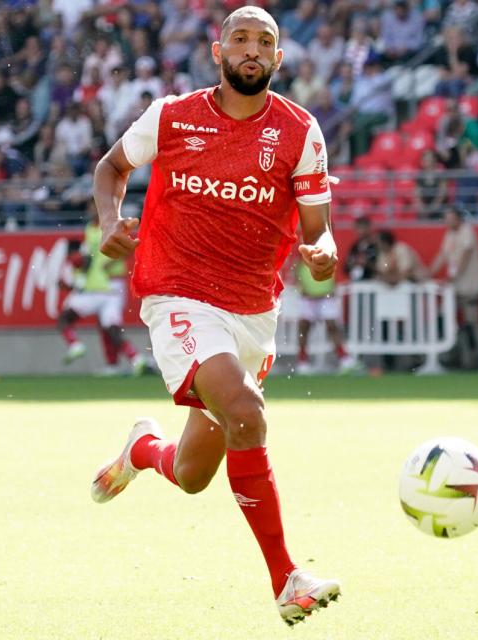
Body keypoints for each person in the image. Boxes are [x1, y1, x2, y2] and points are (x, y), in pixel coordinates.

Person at [88, 7, 342, 626]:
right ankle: (288, 579)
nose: (252, 50)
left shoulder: (301, 132)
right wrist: (109, 221)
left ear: (278, 59)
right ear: (218, 51)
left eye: (265, 43)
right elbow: (111, 168)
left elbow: (320, 231)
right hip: (176, 293)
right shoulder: (172, 115)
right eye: (241, 40)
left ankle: (142, 449)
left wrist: (324, 254)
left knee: (194, 473)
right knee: (248, 415)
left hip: (252, 311)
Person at [58, 220, 148, 376]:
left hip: (102, 288)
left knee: (65, 318)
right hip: (105, 287)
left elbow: (129, 247)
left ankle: (75, 345)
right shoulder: (90, 230)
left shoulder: (112, 226)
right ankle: (134, 359)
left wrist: (111, 264)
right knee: (109, 329)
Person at [428, 208, 478, 370]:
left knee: (471, 323)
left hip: (470, 287)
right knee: (444, 320)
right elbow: (442, 255)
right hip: (453, 289)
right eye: (446, 219)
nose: (447, 222)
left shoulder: (467, 232)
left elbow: (465, 256)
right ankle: (451, 356)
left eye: (450, 218)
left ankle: (475, 360)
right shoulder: (450, 235)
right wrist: (428, 273)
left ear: (459, 219)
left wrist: (452, 277)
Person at [292, 260, 357, 374]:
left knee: (332, 326)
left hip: (326, 296)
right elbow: (297, 275)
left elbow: (334, 273)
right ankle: (302, 362)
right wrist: (301, 287)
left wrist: (333, 288)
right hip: (308, 297)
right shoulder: (303, 257)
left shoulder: (326, 252)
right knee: (304, 328)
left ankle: (345, 359)